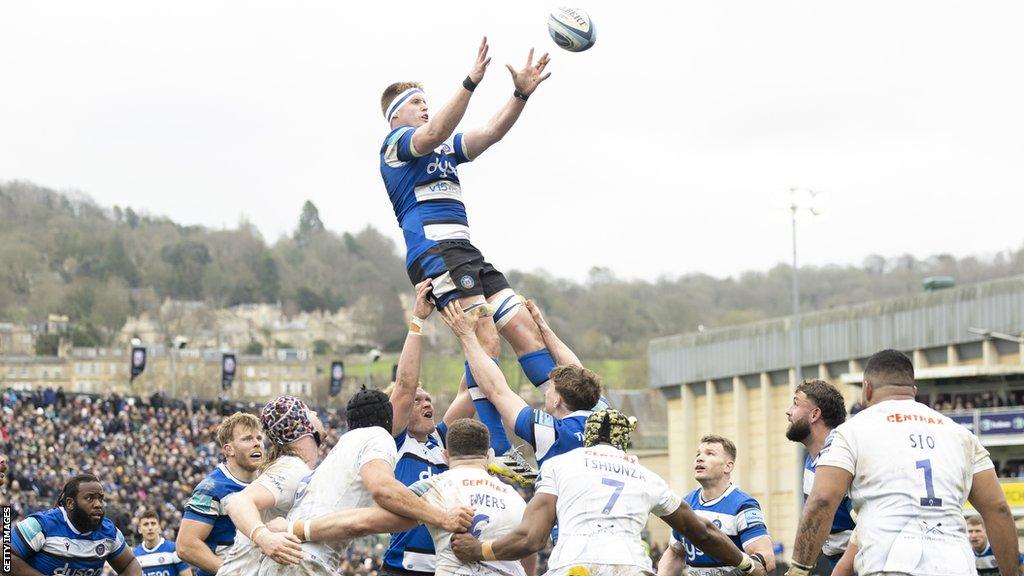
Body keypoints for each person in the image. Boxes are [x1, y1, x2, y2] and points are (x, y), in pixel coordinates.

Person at [378, 36, 559, 460]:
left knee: (521, 327)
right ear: (395, 115)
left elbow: (490, 133)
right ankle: (498, 450)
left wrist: (519, 95)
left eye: (426, 100)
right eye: (416, 101)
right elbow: (436, 128)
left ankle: (566, 411)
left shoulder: (442, 147)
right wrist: (471, 81)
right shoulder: (396, 147)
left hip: (467, 251)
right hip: (435, 254)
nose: (425, 106)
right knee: (485, 340)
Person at [449, 409, 767, 576]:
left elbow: (531, 538)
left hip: (574, 565)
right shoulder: (646, 476)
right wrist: (745, 564)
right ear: (623, 441)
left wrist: (480, 550)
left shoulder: (560, 465)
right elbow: (703, 531)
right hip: (629, 566)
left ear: (586, 438)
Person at [789, 349, 1020, 576]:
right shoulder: (961, 435)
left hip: (891, 564)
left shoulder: (851, 432)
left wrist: (799, 569)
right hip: (956, 566)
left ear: (866, 389)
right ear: (914, 391)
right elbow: (998, 509)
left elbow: (822, 501)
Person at [257, 387, 473, 575]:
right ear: (391, 417)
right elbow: (382, 493)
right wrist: (443, 518)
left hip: (295, 559)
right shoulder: (378, 437)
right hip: (304, 560)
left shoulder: (344, 447)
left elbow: (383, 516)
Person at [277, 418, 534, 576]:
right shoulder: (517, 499)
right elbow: (528, 549)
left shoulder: (434, 487)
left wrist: (296, 528)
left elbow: (363, 522)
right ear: (489, 456)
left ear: (445, 456)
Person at [381, 280, 480, 575]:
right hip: (402, 566)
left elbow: (470, 390)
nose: (426, 403)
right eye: (417, 400)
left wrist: (471, 335)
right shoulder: (394, 440)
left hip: (448, 564)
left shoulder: (440, 435)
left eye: (428, 399)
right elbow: (405, 384)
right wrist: (418, 320)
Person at [440, 301, 600, 469]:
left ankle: (501, 449)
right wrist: (542, 326)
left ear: (557, 401)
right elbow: (578, 370)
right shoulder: (605, 415)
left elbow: (497, 390)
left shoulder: (552, 432)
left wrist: (467, 336)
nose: (546, 393)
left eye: (549, 389)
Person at [220, 396, 326, 573]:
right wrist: (263, 537)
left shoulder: (294, 466)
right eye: (309, 412)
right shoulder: (291, 468)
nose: (315, 413)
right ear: (301, 424)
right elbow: (238, 502)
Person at [657, 435, 776, 575]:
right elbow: (676, 552)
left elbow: (767, 558)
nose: (700, 458)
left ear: (728, 466)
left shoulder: (743, 505)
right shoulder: (686, 503)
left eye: (710, 453)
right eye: (698, 454)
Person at [177, 412, 265, 576]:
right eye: (247, 439)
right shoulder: (211, 489)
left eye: (259, 438)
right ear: (228, 449)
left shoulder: (268, 482)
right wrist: (231, 572)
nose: (257, 444)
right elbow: (186, 546)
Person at [11, 473, 143, 575]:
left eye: (100, 498)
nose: (98, 504)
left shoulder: (109, 532)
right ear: (70, 503)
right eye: (89, 498)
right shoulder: (42, 524)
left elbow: (129, 564)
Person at [785, 379, 855, 566]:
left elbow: (866, 531)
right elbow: (816, 526)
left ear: (815, 414)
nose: (788, 411)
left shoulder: (844, 461)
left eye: (795, 403)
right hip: (835, 563)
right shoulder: (811, 461)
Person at [133, 510, 192, 576]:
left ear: (159, 527)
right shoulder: (135, 555)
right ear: (139, 529)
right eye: (145, 524)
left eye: (153, 523)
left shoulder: (174, 549)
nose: (150, 528)